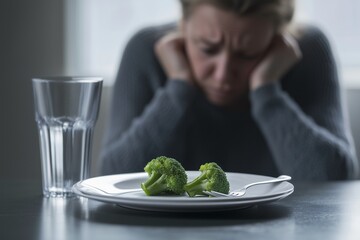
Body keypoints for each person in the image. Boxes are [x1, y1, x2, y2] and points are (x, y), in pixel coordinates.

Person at [100, 0, 359, 180]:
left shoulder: (308, 52)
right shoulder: (145, 51)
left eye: (247, 54)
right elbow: (112, 177)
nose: (223, 74)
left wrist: (266, 92)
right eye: (207, 48)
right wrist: (178, 89)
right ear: (183, 25)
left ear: (277, 40)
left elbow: (334, 180)